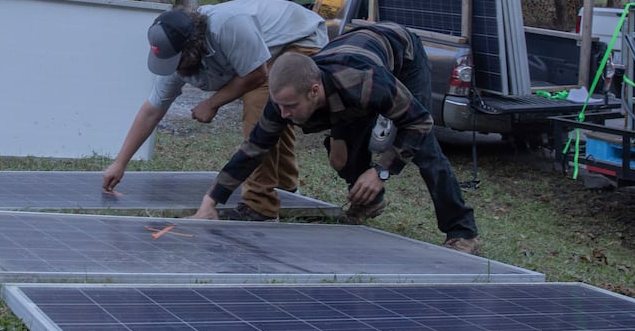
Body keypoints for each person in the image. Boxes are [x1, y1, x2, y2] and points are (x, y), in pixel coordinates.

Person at [193, 21, 481, 254]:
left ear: (314, 92)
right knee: (340, 157)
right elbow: (254, 149)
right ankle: (371, 201)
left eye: (291, 107)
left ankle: (462, 231)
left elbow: (419, 122)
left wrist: (381, 170)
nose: (284, 114)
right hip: (347, 69)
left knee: (426, 151)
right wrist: (211, 201)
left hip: (402, 56)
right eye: (280, 106)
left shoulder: (367, 83)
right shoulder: (284, 99)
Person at [102, 0, 328, 221]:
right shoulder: (177, 56)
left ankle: (260, 207)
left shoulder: (228, 26)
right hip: (263, 53)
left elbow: (256, 75)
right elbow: (152, 110)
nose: (174, 69)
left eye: (176, 63)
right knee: (275, 113)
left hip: (300, 37)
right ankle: (285, 188)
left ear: (191, 49)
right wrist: (120, 163)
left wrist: (212, 103)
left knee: (258, 103)